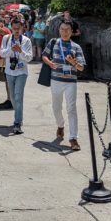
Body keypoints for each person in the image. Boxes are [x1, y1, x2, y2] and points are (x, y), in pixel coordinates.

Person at [42, 20, 86, 151]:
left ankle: (73, 138)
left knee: (71, 108)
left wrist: (74, 63)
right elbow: (44, 55)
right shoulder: (54, 42)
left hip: (70, 82)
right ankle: (60, 125)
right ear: (59, 30)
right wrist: (50, 63)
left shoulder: (76, 47)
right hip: (56, 80)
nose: (65, 32)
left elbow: (82, 68)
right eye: (62, 29)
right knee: (56, 107)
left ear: (72, 32)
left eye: (67, 29)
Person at [0, 18, 33, 134]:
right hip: (9, 71)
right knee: (13, 98)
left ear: (22, 28)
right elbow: (2, 53)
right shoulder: (6, 38)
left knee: (18, 96)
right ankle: (19, 115)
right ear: (11, 28)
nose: (16, 31)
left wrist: (20, 51)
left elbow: (29, 58)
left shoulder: (27, 41)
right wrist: (11, 49)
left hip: (21, 72)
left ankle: (17, 122)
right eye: (14, 28)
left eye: (18, 28)